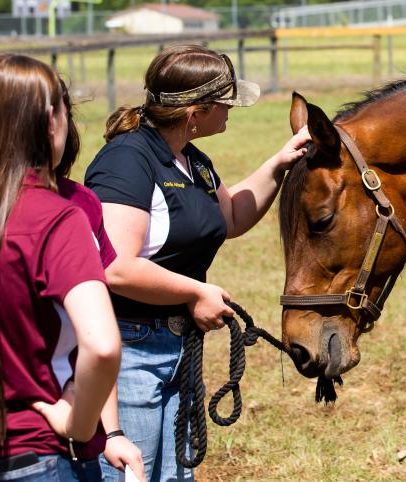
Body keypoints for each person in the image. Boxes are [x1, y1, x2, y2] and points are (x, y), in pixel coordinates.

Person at [85, 45, 310, 481]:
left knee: (173, 476)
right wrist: (196, 291)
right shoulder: (128, 161)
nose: (231, 109)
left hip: (177, 345)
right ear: (195, 113)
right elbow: (115, 266)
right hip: (130, 350)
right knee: (132, 474)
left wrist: (280, 163)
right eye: (224, 102)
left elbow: (231, 217)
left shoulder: (192, 161)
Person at [0, 54, 121, 480]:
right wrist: (78, 423)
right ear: (51, 120)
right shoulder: (57, 217)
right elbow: (102, 346)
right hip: (39, 456)